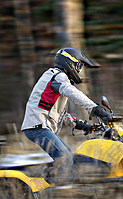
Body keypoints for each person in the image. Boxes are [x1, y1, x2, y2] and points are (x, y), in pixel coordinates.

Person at [21, 48, 112, 177]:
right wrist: (95, 109)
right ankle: (61, 190)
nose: (79, 70)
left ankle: (82, 182)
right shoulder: (57, 75)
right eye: (78, 66)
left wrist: (86, 126)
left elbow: (61, 115)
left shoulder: (56, 80)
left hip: (40, 127)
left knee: (72, 158)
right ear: (69, 63)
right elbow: (73, 92)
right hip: (37, 127)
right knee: (64, 158)